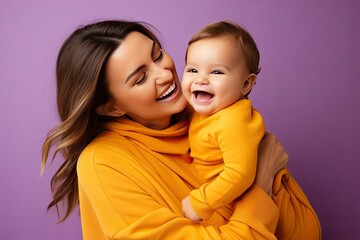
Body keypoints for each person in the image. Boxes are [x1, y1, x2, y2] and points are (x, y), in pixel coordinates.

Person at [41, 20, 321, 239]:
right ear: (111, 107)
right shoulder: (104, 164)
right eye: (140, 78)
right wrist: (260, 179)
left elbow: (304, 231)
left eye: (158, 54)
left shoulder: (208, 110)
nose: (165, 73)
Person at [181, 21, 265, 223]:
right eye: (192, 70)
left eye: (216, 72)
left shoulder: (233, 120)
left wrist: (201, 203)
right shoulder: (203, 111)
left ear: (246, 84)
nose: (201, 79)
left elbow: (240, 174)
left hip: (277, 211)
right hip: (232, 202)